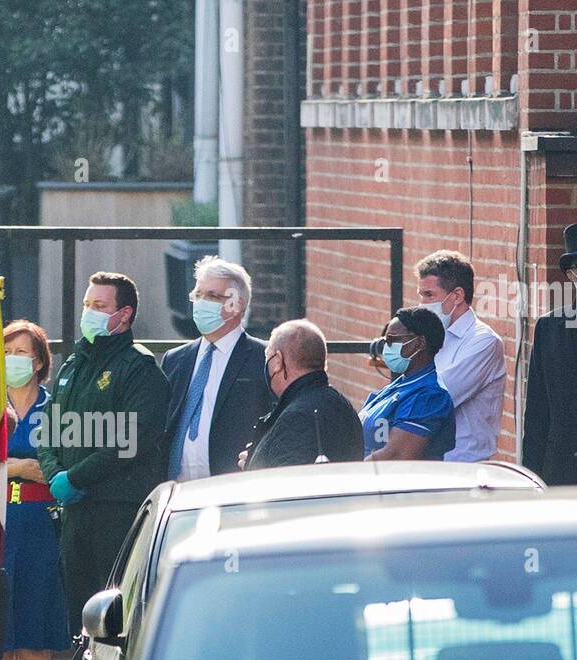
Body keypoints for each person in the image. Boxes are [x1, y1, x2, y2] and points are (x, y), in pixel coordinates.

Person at [38, 272, 170, 636]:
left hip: (116, 512)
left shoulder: (139, 369)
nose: (89, 312)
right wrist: (55, 476)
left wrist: (78, 477)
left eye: (99, 306)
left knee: (116, 618)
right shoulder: (73, 366)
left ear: (124, 315)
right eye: (87, 305)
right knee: (80, 621)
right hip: (74, 515)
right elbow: (48, 432)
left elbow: (131, 439)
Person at [0, 320, 71, 660]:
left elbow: (56, 466)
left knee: (34, 635)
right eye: (6, 351)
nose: (12, 360)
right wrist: (25, 466)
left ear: (38, 361)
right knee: (1, 635)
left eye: (21, 352)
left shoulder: (56, 409)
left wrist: (12, 468)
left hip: (40, 525)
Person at [162, 256, 273, 480]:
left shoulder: (264, 359)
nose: (201, 303)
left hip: (231, 490)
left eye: (212, 296)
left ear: (236, 305)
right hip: (177, 492)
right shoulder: (175, 360)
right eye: (198, 294)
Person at [415, 251, 506, 462]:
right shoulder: (431, 337)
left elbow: (436, 398)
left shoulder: (483, 342)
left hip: (465, 466)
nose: (422, 303)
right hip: (429, 464)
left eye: (429, 295)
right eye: (420, 295)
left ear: (456, 296)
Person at [523, 220, 577, 485]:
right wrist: (532, 475)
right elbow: (538, 410)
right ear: (571, 275)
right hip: (560, 469)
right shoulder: (550, 327)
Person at [242, 319, 363, 470]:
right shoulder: (344, 406)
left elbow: (287, 484)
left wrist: (254, 470)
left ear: (278, 361)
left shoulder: (297, 418)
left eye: (268, 355)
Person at [360, 307, 456, 461]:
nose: (386, 347)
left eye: (392, 340)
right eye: (385, 341)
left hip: (392, 482)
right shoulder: (396, 387)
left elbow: (395, 457)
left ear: (419, 343)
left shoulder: (429, 396)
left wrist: (348, 473)